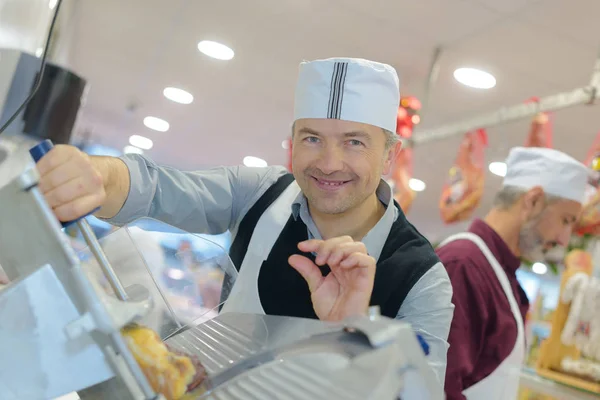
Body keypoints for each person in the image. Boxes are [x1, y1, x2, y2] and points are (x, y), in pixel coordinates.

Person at [35, 57, 453, 384]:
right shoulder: (263, 194)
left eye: (354, 142)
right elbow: (159, 188)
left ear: (390, 155)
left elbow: (421, 390)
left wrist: (353, 334)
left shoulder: (420, 277)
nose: (329, 163)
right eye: (312, 138)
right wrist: (98, 176)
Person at [436, 146, 589, 399]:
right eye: (565, 220)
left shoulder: (498, 273)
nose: (564, 240)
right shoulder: (464, 264)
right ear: (533, 201)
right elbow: (437, 385)